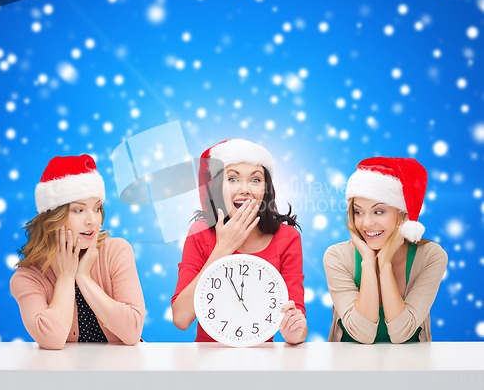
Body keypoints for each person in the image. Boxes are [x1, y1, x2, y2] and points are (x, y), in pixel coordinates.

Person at [172, 139, 307, 344]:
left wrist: (294, 331)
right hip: (207, 359)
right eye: (233, 179)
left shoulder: (287, 237)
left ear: (265, 189)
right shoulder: (199, 233)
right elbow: (181, 318)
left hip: (263, 361)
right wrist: (223, 248)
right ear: (218, 187)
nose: (245, 189)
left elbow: (298, 325)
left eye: (255, 180)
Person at [10, 154, 145, 350]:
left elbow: (132, 332)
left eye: (97, 208)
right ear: (53, 217)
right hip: (65, 376)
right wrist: (66, 277)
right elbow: (52, 340)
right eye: (78, 210)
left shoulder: (116, 252)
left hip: (122, 371)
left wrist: (83, 277)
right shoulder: (28, 278)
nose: (92, 220)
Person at [323, 157, 448, 344]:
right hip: (348, 368)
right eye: (358, 212)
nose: (366, 223)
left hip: (411, 368)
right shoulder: (337, 256)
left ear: (403, 214)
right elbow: (363, 334)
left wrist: (385, 263)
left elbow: (401, 334)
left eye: (379, 211)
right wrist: (367, 260)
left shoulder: (431, 256)